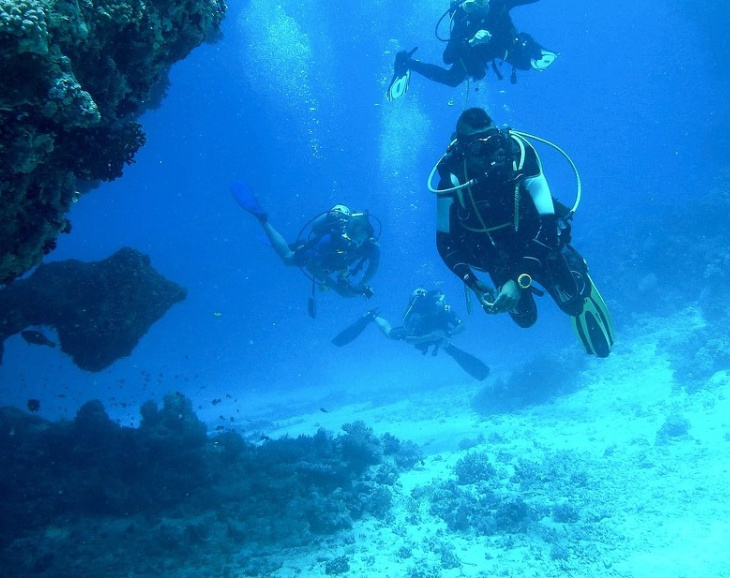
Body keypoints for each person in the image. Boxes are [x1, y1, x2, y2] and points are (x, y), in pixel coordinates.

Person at [428, 108, 614, 357]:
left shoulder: (521, 157)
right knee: (525, 320)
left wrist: (519, 279)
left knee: (573, 303)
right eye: (477, 148)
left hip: (538, 243)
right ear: (462, 148)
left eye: (493, 142)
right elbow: (444, 243)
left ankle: (573, 264)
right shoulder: (451, 179)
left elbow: (548, 225)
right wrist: (471, 282)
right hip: (498, 257)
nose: (489, 154)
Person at [386, 0, 558, 99]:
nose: (476, 9)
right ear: (464, 6)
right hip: (479, 53)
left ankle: (532, 48)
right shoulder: (463, 21)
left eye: (480, 2)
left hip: (503, 45)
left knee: (525, 63)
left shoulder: (499, 2)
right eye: (469, 5)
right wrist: (471, 41)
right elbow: (447, 58)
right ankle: (405, 62)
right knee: (452, 80)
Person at [230, 182, 380, 314]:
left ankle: (304, 248)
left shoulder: (371, 246)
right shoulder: (331, 240)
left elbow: (374, 264)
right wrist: (334, 287)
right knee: (288, 259)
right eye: (353, 237)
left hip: (332, 260)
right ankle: (263, 220)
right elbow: (312, 266)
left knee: (343, 273)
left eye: (360, 239)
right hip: (318, 252)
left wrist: (362, 284)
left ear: (368, 236)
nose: (355, 242)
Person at [332, 289, 490, 380]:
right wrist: (431, 337)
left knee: (444, 343)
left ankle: (444, 344)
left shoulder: (445, 311)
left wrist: (449, 332)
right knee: (389, 333)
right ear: (430, 303)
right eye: (438, 301)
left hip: (435, 335)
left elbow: (461, 326)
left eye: (442, 300)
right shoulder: (417, 317)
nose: (442, 302)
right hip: (415, 334)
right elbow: (410, 340)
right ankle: (373, 317)